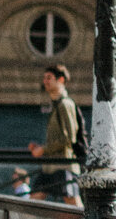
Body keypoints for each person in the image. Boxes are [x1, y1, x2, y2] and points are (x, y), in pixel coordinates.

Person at [28, 64, 83, 204]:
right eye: (44, 78)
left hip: (63, 166)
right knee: (32, 203)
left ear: (61, 80)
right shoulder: (56, 105)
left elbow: (69, 138)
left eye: (49, 78)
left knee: (74, 207)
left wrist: (43, 149)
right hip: (51, 166)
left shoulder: (65, 104)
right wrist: (40, 147)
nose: (45, 81)